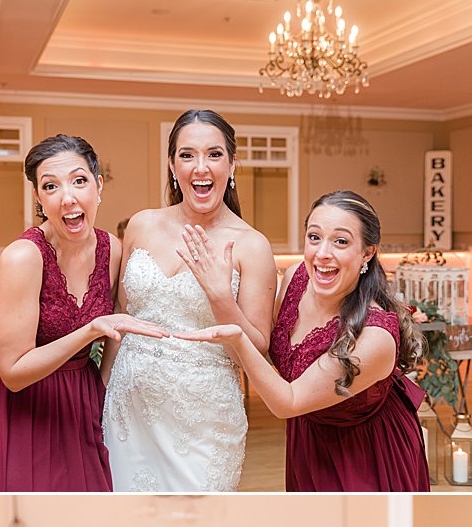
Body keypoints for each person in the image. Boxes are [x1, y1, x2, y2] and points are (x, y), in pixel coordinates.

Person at [0, 134, 166, 491]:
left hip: (79, 401)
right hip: (15, 407)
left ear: (98, 186)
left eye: (79, 181)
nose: (68, 198)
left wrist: (104, 397)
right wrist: (90, 330)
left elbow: (115, 333)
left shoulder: (112, 250)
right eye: (51, 186)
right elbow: (13, 372)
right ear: (38, 197)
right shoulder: (24, 257)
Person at [177, 191, 428, 491]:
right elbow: (264, 345)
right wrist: (220, 297)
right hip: (309, 437)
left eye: (341, 241)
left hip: (367, 450)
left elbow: (289, 401)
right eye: (314, 237)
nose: (322, 253)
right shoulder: (296, 278)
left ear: (367, 253)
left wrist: (233, 327)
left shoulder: (375, 336)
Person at [102, 109, 277, 491]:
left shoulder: (252, 245)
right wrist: (98, 397)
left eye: (214, 154)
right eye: (187, 155)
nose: (201, 167)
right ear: (172, 165)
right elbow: (120, 316)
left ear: (233, 165)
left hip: (204, 422)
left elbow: (257, 350)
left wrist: (220, 298)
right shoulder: (142, 225)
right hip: (126, 412)